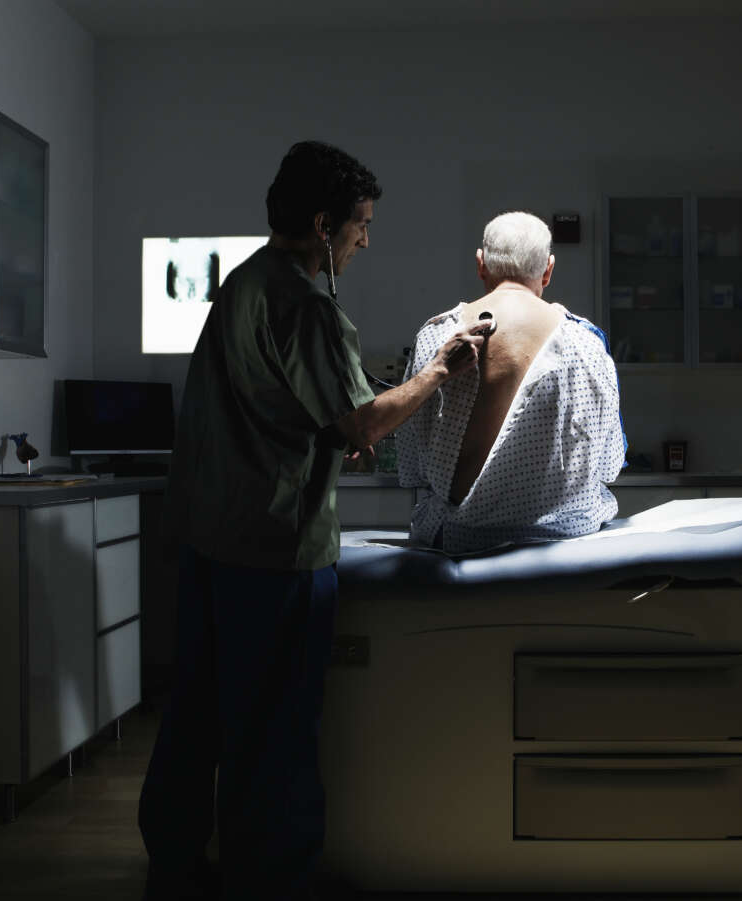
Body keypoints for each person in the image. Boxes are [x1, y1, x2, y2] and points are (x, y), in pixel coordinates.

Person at [139, 141, 486, 901]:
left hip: (205, 545)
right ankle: (270, 882)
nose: (367, 238)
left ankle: (174, 867)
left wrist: (327, 429)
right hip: (273, 555)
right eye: (362, 223)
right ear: (324, 224)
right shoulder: (309, 306)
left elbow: (267, 406)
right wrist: (437, 372)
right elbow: (362, 424)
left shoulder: (242, 286)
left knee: (195, 715)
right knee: (273, 737)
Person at [397, 211, 626, 554]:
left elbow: (412, 464)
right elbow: (610, 465)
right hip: (565, 540)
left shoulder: (438, 337)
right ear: (548, 269)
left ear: (481, 264)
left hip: (460, 541)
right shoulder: (586, 342)